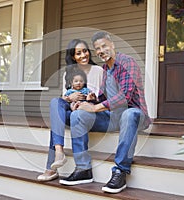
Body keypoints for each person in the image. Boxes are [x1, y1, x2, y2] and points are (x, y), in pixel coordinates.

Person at [59, 31, 151, 194]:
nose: (101, 50)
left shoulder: (127, 62)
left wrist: (95, 108)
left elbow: (124, 97)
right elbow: (104, 96)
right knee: (77, 114)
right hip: (112, 116)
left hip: (132, 114)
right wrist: (90, 100)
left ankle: (120, 171)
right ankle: (83, 169)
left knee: (129, 114)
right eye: (97, 48)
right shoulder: (104, 69)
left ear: (112, 45)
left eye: (104, 46)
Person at [37, 39, 103, 181]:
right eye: (78, 53)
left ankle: (50, 168)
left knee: (57, 123)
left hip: (88, 112)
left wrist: (90, 99)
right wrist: (70, 98)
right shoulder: (68, 73)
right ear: (73, 56)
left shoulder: (98, 71)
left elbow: (102, 98)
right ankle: (59, 152)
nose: (83, 55)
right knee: (56, 102)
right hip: (72, 109)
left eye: (85, 51)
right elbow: (64, 97)